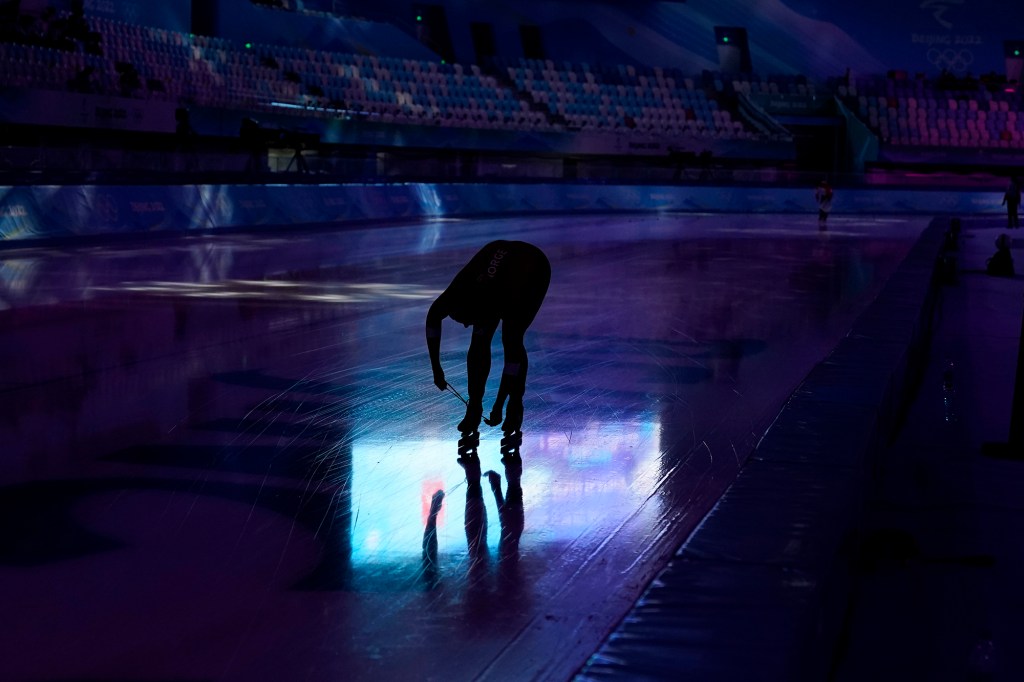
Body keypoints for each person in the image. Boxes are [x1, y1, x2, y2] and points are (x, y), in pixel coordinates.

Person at [426, 240, 551, 434]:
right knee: (479, 342)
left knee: (512, 338)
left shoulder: (504, 299)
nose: (467, 325)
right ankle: (474, 407)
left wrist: (500, 404)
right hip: (497, 269)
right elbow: (433, 317)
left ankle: (515, 406)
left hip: (533, 270)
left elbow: (512, 361)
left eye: (467, 321)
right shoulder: (458, 290)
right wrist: (436, 369)